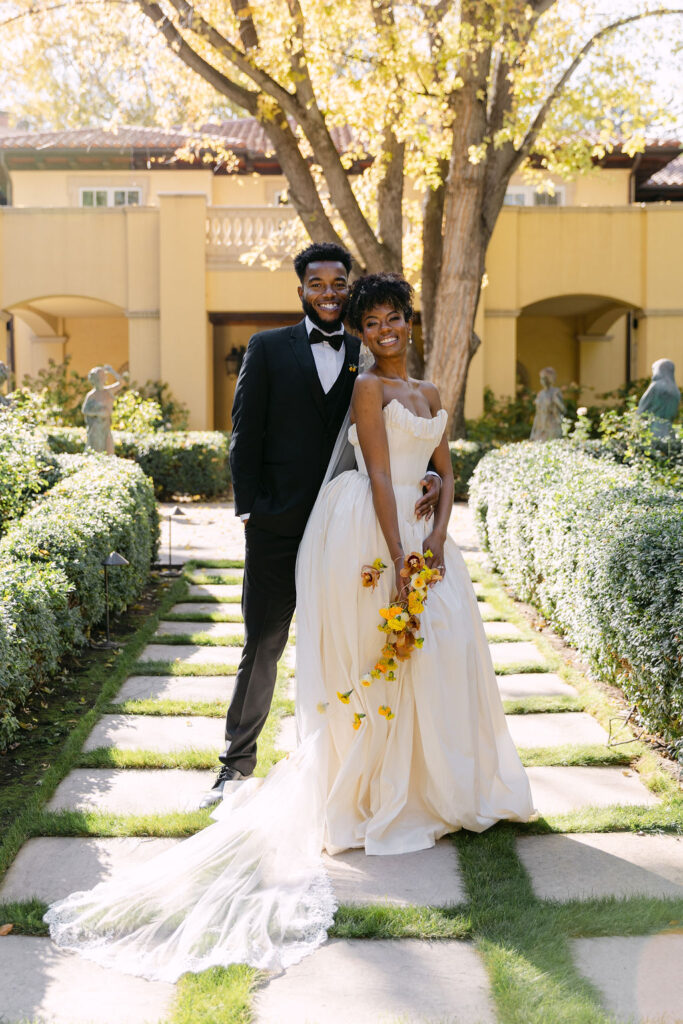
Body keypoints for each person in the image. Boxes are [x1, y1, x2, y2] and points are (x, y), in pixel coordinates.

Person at [44, 273, 534, 981]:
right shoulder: (368, 391)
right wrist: (400, 558)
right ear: (363, 334)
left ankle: (433, 788)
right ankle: (366, 791)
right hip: (370, 534)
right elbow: (373, 476)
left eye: (393, 319)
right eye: (372, 324)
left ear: (407, 323)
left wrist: (435, 538)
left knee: (443, 652)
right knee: (376, 655)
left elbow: (445, 472)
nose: (384, 331)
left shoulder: (430, 394)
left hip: (423, 535)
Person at [198, 243, 440, 808]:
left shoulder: (369, 352)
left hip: (348, 525)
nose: (328, 293)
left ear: (347, 288)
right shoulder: (267, 347)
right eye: (317, 284)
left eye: (338, 283)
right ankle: (235, 764)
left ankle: (351, 766)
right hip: (278, 524)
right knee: (263, 640)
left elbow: (399, 427)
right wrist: (250, 510)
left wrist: (428, 473)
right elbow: (244, 433)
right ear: (301, 289)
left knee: (353, 643)